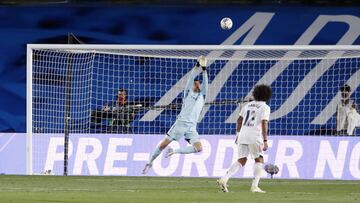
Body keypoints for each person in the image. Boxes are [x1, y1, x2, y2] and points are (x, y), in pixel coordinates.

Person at [142, 56, 208, 174]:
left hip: (192, 127)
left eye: (199, 83)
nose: (197, 84)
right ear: (192, 86)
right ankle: (150, 161)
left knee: (199, 148)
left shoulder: (203, 96)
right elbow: (190, 78)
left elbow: (206, 84)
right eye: (195, 83)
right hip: (180, 124)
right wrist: (197, 66)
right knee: (163, 144)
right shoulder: (188, 93)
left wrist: (204, 70)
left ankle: (175, 151)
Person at [217, 84, 272, 193]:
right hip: (254, 135)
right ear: (267, 95)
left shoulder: (248, 105)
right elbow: (264, 122)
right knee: (259, 159)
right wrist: (265, 140)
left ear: (255, 94)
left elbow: (239, 120)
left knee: (242, 159)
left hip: (242, 134)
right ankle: (254, 186)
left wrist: (237, 135)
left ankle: (224, 178)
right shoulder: (265, 107)